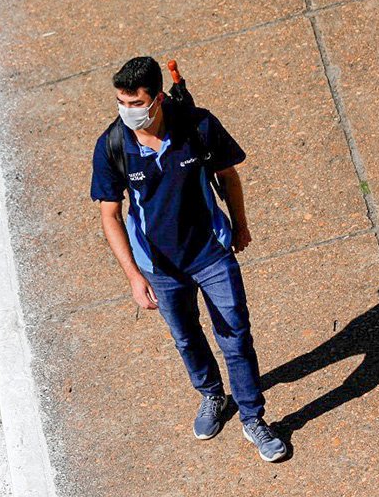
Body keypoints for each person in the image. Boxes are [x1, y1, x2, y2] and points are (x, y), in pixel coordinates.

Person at [89, 56, 287, 462]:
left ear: (158, 99)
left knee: (235, 337)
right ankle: (212, 395)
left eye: (135, 102)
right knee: (185, 337)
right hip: (159, 266)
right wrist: (132, 275)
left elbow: (228, 176)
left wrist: (240, 224)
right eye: (121, 103)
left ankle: (252, 418)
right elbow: (109, 215)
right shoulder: (113, 146)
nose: (128, 111)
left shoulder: (198, 126)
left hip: (210, 253)